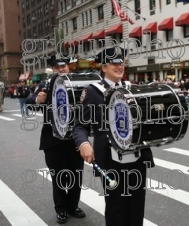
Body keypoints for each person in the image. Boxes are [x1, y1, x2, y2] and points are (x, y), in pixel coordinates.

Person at [73, 46, 155, 226]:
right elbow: (80, 126)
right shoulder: (93, 91)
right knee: (116, 207)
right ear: (104, 67)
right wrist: (84, 144)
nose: (119, 66)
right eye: (114, 63)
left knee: (136, 205)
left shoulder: (132, 88)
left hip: (137, 157)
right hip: (111, 160)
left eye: (121, 63)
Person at [25, 54, 86, 224]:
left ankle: (73, 206)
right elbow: (29, 102)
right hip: (53, 140)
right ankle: (61, 209)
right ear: (53, 69)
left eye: (63, 66)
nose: (60, 70)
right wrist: (38, 99)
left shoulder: (79, 85)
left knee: (76, 175)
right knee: (58, 176)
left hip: (75, 139)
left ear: (68, 67)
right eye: (57, 67)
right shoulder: (46, 85)